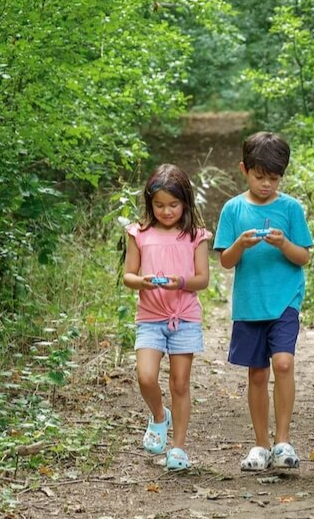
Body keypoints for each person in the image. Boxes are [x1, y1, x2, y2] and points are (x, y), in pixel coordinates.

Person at [214, 131, 313, 471]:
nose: (266, 184)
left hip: (285, 298)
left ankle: (283, 441)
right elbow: (225, 261)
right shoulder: (233, 209)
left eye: (274, 178)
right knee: (257, 373)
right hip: (250, 302)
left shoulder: (290, 208)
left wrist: (284, 243)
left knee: (283, 363)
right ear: (244, 170)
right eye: (259, 177)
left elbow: (303, 257)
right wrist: (240, 244)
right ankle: (260, 445)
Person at [122, 164, 212, 471]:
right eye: (159, 205)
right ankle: (159, 416)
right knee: (146, 376)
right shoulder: (139, 234)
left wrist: (181, 281)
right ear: (150, 204)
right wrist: (143, 280)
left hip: (184, 318)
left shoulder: (196, 236)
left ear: (185, 202)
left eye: (173, 204)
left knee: (180, 383)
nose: (167, 211)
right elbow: (128, 275)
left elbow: (203, 279)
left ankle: (178, 447)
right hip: (150, 317)